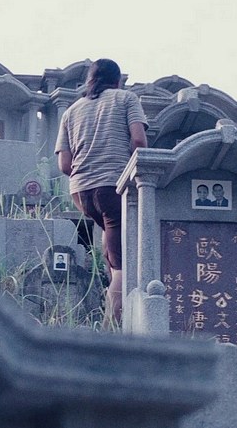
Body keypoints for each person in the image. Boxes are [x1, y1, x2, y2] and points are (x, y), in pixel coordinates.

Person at [55, 58, 148, 328]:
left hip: (81, 191)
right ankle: (111, 327)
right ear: (118, 81)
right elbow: (139, 141)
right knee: (122, 265)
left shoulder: (71, 111)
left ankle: (116, 309)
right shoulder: (126, 98)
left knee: (111, 242)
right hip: (113, 186)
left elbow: (64, 164)